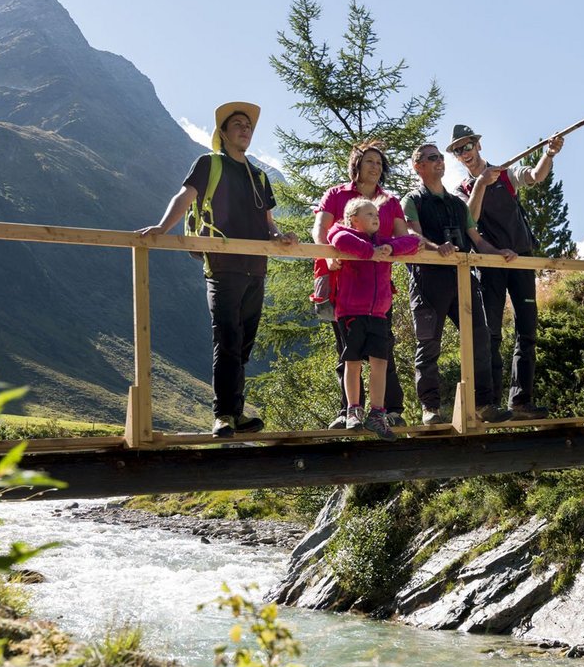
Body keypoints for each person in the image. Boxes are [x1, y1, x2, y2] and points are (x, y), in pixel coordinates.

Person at [138, 101, 296, 438]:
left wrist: (281, 237)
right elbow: (185, 195)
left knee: (243, 344)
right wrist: (163, 227)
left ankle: (235, 413)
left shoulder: (259, 176)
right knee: (227, 337)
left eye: (249, 126)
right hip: (223, 266)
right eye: (237, 124)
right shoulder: (209, 164)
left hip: (257, 268)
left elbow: (269, 223)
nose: (245, 130)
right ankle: (222, 415)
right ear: (222, 133)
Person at [448, 124, 565, 419]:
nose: (465, 153)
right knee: (492, 334)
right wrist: (481, 185)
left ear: (478, 145)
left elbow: (536, 176)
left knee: (527, 329)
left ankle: (521, 401)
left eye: (468, 146)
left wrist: (548, 154)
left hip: (522, 259)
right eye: (459, 150)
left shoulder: (506, 174)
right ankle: (491, 404)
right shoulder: (461, 191)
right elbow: (470, 220)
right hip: (490, 265)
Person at [401, 141, 516, 425]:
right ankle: (431, 409)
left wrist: (498, 252)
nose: (439, 161)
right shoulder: (412, 200)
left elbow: (476, 240)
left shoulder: (456, 203)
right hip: (428, 281)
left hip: (463, 280)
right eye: (431, 158)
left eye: (440, 157)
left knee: (481, 338)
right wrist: (436, 246)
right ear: (418, 167)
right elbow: (411, 236)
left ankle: (484, 404)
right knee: (428, 345)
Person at [313, 142, 415, 425]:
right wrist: (327, 257)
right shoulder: (336, 194)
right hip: (343, 281)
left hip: (379, 289)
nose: (375, 167)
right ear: (356, 164)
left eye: (380, 163)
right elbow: (322, 229)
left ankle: (389, 411)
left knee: (384, 348)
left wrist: (388, 250)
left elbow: (401, 237)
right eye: (369, 161)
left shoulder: (390, 201)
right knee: (346, 349)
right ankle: (348, 411)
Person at [326, 197, 421, 438]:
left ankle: (377, 414)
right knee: (353, 362)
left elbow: (412, 241)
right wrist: (371, 252)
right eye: (369, 214)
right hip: (351, 312)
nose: (376, 217)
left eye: (377, 214)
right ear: (354, 220)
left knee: (380, 362)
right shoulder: (346, 234)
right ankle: (353, 410)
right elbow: (336, 236)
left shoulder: (383, 241)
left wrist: (390, 249)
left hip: (379, 312)